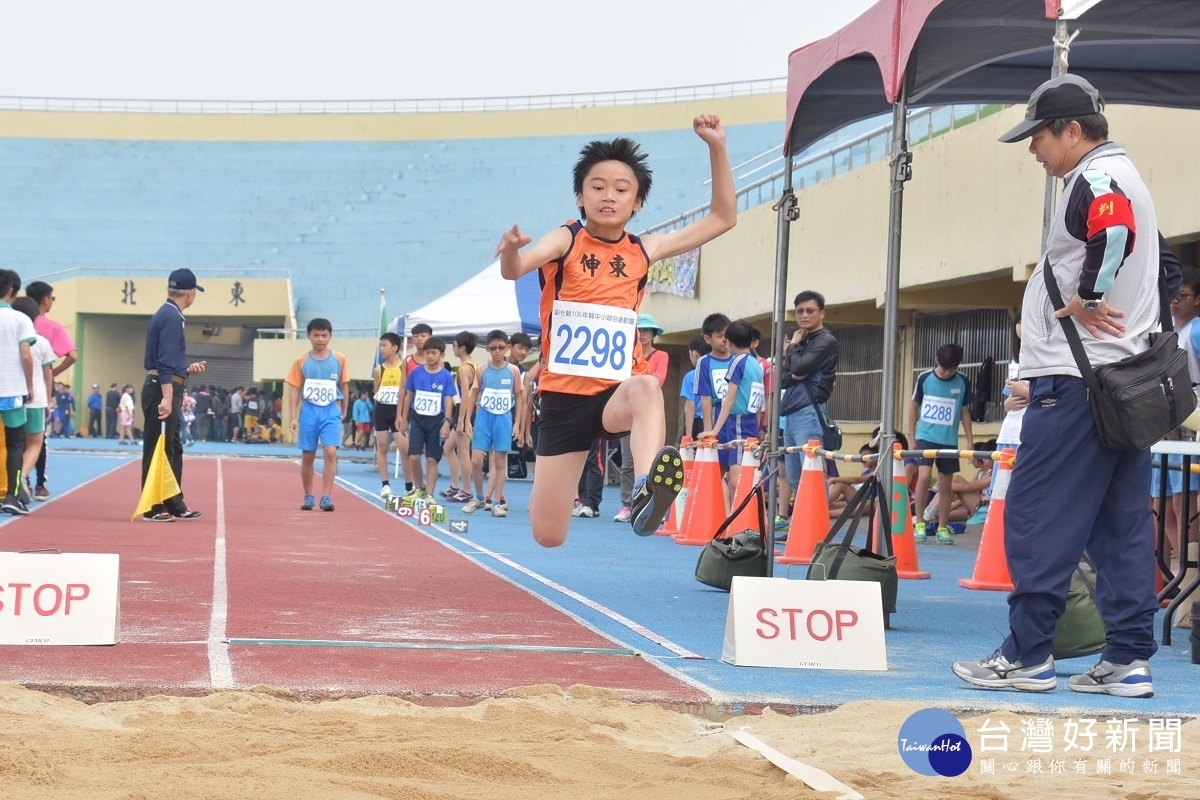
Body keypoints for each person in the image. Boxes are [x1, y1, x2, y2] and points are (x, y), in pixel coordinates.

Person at [953, 74, 1180, 698]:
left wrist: (1089, 295)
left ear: (1072, 131)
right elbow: (1163, 262)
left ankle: (1028, 656)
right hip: (1120, 382)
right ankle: (1129, 657)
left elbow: (1113, 234)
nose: (1033, 151)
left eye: (1039, 137)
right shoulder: (1128, 176)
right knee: (1120, 526)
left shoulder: (1097, 179)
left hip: (1079, 383)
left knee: (1037, 517)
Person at [496, 115, 735, 546]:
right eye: (598, 187)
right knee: (548, 535)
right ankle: (617, 494)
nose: (609, 196)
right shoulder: (565, 240)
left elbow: (722, 217)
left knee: (646, 386)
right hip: (564, 399)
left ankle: (647, 489)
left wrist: (716, 147)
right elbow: (515, 269)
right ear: (581, 196)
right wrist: (511, 253)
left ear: (637, 201)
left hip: (614, 393)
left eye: (622, 189)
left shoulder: (645, 249)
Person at [140, 268, 207, 522]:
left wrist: (186, 370)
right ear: (190, 293)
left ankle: (173, 501)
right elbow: (164, 362)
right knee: (159, 447)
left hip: (166, 384)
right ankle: (153, 506)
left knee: (172, 447)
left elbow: (168, 360)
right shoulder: (171, 317)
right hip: (162, 387)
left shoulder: (169, 314)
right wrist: (167, 397)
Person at [778, 291, 839, 514]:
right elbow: (784, 378)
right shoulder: (804, 341)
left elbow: (799, 368)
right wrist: (795, 365)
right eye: (800, 311)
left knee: (811, 472)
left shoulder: (825, 341)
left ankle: (818, 528)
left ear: (821, 313)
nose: (804, 315)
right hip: (791, 414)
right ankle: (803, 526)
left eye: (810, 310)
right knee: (794, 476)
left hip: (810, 413)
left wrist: (792, 346)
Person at [908, 342, 974, 545]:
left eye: (951, 369)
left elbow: (964, 411)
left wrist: (970, 440)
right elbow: (914, 406)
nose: (946, 373)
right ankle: (919, 522)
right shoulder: (924, 378)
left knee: (945, 485)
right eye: (944, 368)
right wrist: (911, 436)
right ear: (936, 361)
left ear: (958, 366)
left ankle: (942, 527)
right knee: (924, 476)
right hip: (925, 436)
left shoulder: (963, 381)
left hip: (948, 440)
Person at [698, 319, 765, 506]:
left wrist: (714, 430)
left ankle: (738, 522)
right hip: (751, 420)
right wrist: (759, 425)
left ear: (729, 342)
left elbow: (729, 399)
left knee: (737, 480)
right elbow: (759, 398)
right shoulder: (755, 363)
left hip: (738, 421)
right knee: (746, 475)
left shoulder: (737, 363)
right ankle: (739, 520)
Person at [285, 318, 349, 511]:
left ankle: (327, 496)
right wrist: (293, 416)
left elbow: (344, 385)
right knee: (308, 455)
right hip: (309, 410)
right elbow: (295, 388)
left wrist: (344, 410)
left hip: (330, 410)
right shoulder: (301, 361)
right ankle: (308, 496)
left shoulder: (339, 359)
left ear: (330, 336)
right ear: (308, 336)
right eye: (316, 335)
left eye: (324, 335)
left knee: (331, 452)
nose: (320, 339)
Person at [462, 330, 524, 517]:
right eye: (493, 348)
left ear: (507, 347)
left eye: (501, 347)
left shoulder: (513, 371)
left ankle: (497, 502)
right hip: (484, 418)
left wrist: (518, 424)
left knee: (499, 462)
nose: (497, 351)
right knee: (476, 461)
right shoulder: (482, 369)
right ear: (488, 349)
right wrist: (466, 420)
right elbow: (473, 394)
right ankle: (480, 497)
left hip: (503, 419)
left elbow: (520, 397)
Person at [614, 314, 668, 522]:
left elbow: (657, 381)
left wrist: (636, 383)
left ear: (654, 334)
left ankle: (653, 505)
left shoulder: (661, 356)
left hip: (651, 415)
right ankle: (627, 504)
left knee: (654, 462)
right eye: (639, 330)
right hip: (628, 415)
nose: (642, 334)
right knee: (627, 461)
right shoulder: (626, 354)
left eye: (647, 330)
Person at [400, 336, 457, 498]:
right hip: (417, 419)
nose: (430, 356)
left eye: (434, 353)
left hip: (436, 421)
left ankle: (430, 494)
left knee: (432, 459)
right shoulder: (416, 372)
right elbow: (408, 395)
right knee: (414, 457)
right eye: (427, 353)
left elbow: (448, 400)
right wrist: (404, 419)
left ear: (442, 355)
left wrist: (447, 422)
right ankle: (420, 488)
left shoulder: (446, 376)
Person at [10, 297, 54, 509]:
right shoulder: (41, 342)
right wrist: (48, 400)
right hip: (35, 398)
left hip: (13, 396)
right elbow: (48, 375)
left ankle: (12, 480)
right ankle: (22, 476)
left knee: (13, 444)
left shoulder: (11, 338)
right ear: (35, 317)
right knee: (35, 443)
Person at [443, 331, 479, 502]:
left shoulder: (465, 368)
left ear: (463, 348)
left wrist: (462, 421)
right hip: (464, 412)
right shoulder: (473, 365)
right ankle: (455, 486)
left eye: (455, 345)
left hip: (464, 413)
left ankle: (467, 491)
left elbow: (466, 396)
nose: (453, 348)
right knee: (448, 448)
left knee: (463, 452)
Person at [372, 333, 405, 499]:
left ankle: (409, 486)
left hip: (398, 412)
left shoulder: (403, 367)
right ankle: (385, 484)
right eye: (380, 345)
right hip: (382, 410)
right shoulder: (379, 370)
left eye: (384, 345)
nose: (381, 349)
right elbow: (376, 391)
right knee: (382, 446)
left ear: (395, 348)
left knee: (404, 448)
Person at [679, 333, 710, 442]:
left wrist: (688, 435)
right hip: (715, 421)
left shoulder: (691, 376)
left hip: (698, 423)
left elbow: (690, 406)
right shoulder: (715, 372)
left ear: (694, 354)